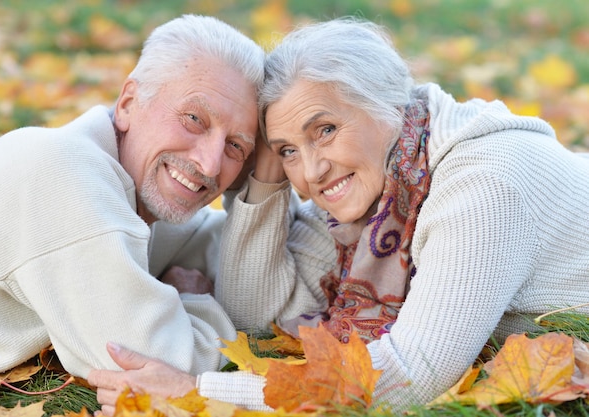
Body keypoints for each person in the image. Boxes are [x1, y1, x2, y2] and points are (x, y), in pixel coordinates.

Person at [88, 16, 589, 414]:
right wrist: (268, 170)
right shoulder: (375, 193)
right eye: (288, 150)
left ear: (386, 104)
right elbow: (255, 315)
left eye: (325, 129)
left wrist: (195, 390)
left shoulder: (483, 183)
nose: (312, 171)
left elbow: (411, 377)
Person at [0, 14, 264, 384]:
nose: (210, 163)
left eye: (235, 146)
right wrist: (197, 301)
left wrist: (269, 188)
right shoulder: (65, 179)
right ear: (128, 104)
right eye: (193, 119)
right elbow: (162, 365)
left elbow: (234, 253)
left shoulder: (132, 191)